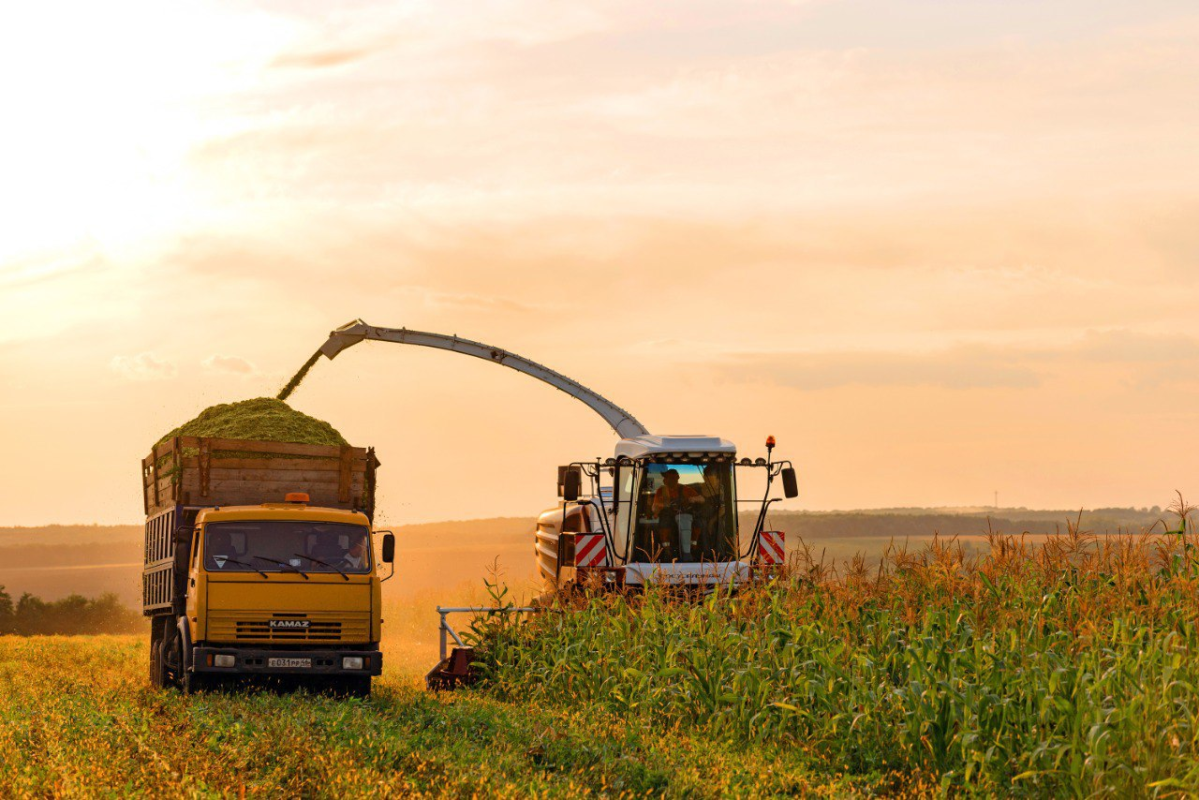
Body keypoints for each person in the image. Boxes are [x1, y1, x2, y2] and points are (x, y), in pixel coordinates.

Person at [652, 469, 702, 559]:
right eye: (666, 477)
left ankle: (693, 548)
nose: (665, 480)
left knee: (698, 522)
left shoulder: (685, 489)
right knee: (663, 523)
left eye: (669, 478)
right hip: (669, 518)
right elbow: (654, 507)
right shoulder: (661, 491)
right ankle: (667, 550)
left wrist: (693, 499)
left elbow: (702, 499)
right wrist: (663, 505)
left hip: (685, 517)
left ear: (677, 478)